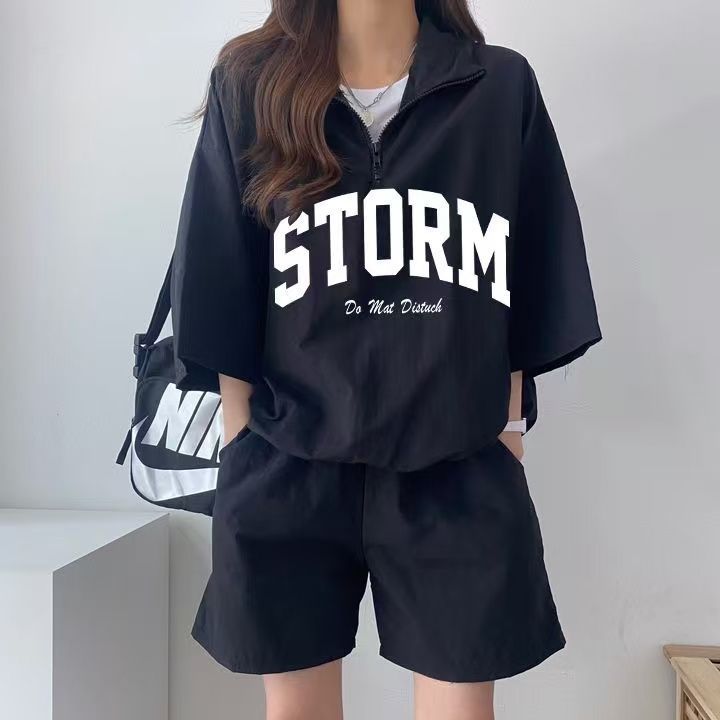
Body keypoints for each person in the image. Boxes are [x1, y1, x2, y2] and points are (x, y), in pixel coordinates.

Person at [170, 0, 602, 717]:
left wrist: (506, 427)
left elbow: (534, 261)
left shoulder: (497, 86)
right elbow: (218, 264)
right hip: (288, 456)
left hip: (456, 460)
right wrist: (239, 433)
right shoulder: (252, 84)